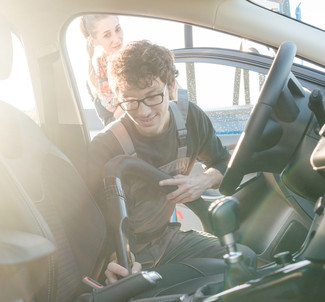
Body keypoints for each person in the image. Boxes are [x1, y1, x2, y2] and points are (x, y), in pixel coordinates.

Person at [87, 40, 257, 283]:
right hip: (129, 254)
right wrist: (116, 261)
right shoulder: (106, 146)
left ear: (171, 87)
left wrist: (202, 181)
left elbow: (222, 163)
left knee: (244, 259)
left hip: (168, 239)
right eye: (130, 101)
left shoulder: (191, 120)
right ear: (117, 97)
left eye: (152, 97)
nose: (143, 112)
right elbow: (92, 223)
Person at [79, 15, 125, 125]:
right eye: (107, 35)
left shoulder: (137, 57)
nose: (116, 39)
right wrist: (131, 100)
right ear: (94, 41)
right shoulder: (94, 78)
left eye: (117, 29)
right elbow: (109, 124)